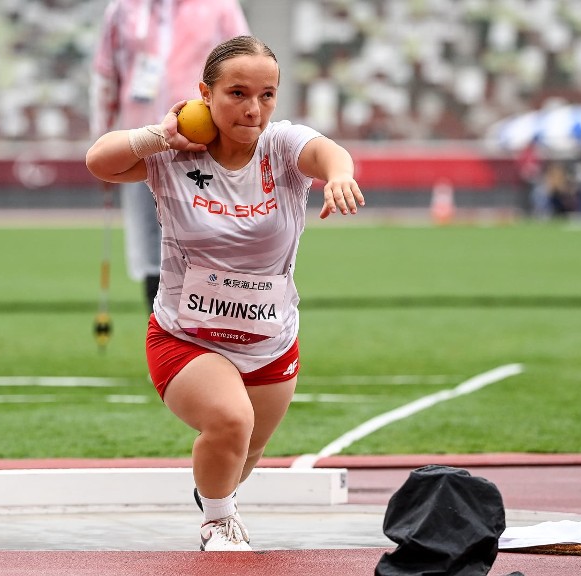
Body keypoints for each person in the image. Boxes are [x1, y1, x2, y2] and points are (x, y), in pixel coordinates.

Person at [85, 35, 365, 551]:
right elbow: (100, 161)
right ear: (205, 95)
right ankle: (218, 523)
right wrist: (159, 135)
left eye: (266, 94)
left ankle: (215, 493)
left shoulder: (281, 147)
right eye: (237, 93)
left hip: (269, 340)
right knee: (230, 421)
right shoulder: (174, 154)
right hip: (186, 335)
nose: (253, 108)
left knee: (246, 450)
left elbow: (326, 152)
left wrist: (339, 176)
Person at [90, 0, 250, 311]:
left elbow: (244, 66)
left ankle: (215, 328)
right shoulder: (123, 8)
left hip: (203, 145)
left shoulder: (219, 6)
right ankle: (159, 325)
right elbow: (105, 76)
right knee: (151, 240)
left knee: (206, 234)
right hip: (143, 141)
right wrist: (104, 140)